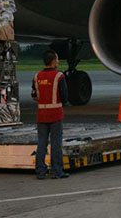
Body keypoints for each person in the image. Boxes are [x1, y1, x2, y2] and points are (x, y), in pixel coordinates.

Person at [31, 50, 69, 179]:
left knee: (41, 143)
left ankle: (40, 171)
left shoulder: (37, 76)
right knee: (56, 143)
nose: (58, 61)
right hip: (55, 114)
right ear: (53, 61)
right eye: (57, 59)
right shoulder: (59, 76)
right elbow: (65, 97)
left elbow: (34, 95)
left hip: (42, 114)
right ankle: (56, 171)